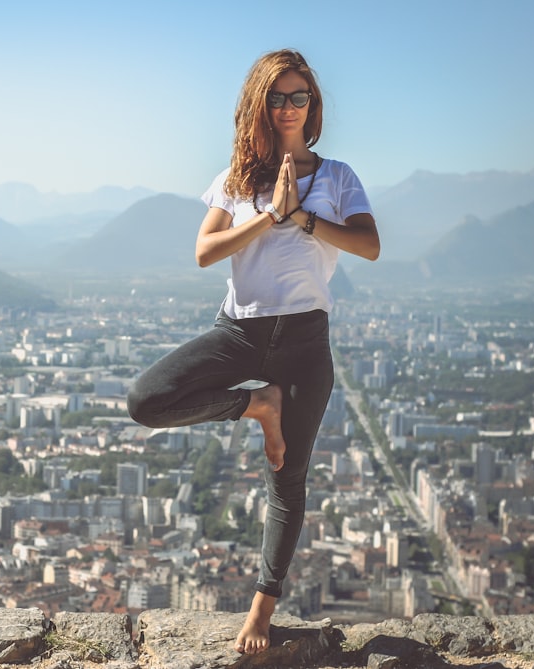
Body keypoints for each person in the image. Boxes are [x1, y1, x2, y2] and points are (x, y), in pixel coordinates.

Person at [126, 49, 380, 655]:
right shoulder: (237, 177)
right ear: (259, 104)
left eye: (300, 98)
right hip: (239, 332)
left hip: (303, 344)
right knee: (147, 401)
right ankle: (255, 406)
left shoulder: (338, 176)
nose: (289, 108)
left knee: (287, 480)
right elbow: (205, 251)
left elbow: (369, 245)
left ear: (312, 106)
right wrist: (269, 215)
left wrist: (307, 219)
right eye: (278, 97)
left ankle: (261, 610)